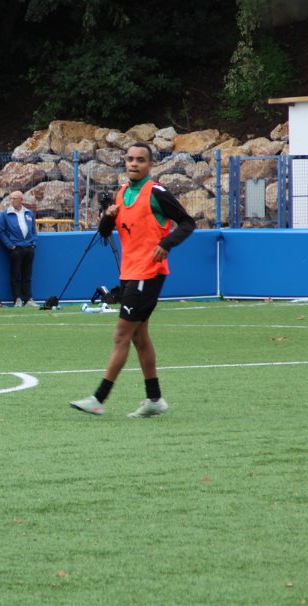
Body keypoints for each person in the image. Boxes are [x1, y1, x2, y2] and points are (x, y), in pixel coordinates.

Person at [70, 143, 195, 418]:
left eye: (140, 160)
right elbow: (105, 233)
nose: (134, 164)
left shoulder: (157, 192)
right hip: (129, 272)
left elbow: (188, 223)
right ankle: (154, 399)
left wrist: (166, 243)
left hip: (148, 273)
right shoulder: (123, 193)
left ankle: (98, 398)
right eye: (129, 159)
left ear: (150, 165)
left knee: (121, 335)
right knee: (139, 337)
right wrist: (107, 217)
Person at [0, 191, 38, 307]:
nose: (12, 201)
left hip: (28, 247)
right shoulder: (6, 214)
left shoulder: (28, 213)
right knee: (15, 275)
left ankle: (28, 298)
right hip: (16, 248)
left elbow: (34, 230)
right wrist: (10, 245)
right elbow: (1, 231)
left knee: (27, 274)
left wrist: (33, 243)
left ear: (21, 200)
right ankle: (17, 298)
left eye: (14, 198)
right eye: (11, 198)